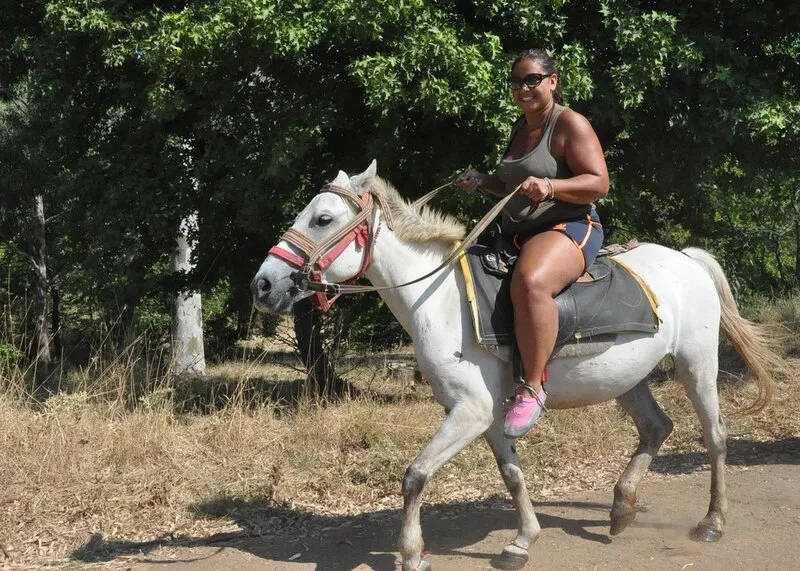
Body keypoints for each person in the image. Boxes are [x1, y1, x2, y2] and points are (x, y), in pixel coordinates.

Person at [456, 49, 609, 438]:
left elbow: (598, 182)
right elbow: (512, 188)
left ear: (552, 81)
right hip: (516, 233)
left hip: (569, 226)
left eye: (532, 80)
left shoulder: (570, 123)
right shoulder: (520, 127)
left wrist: (551, 186)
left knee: (531, 281)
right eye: (516, 82)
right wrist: (483, 181)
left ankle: (533, 388)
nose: (523, 88)